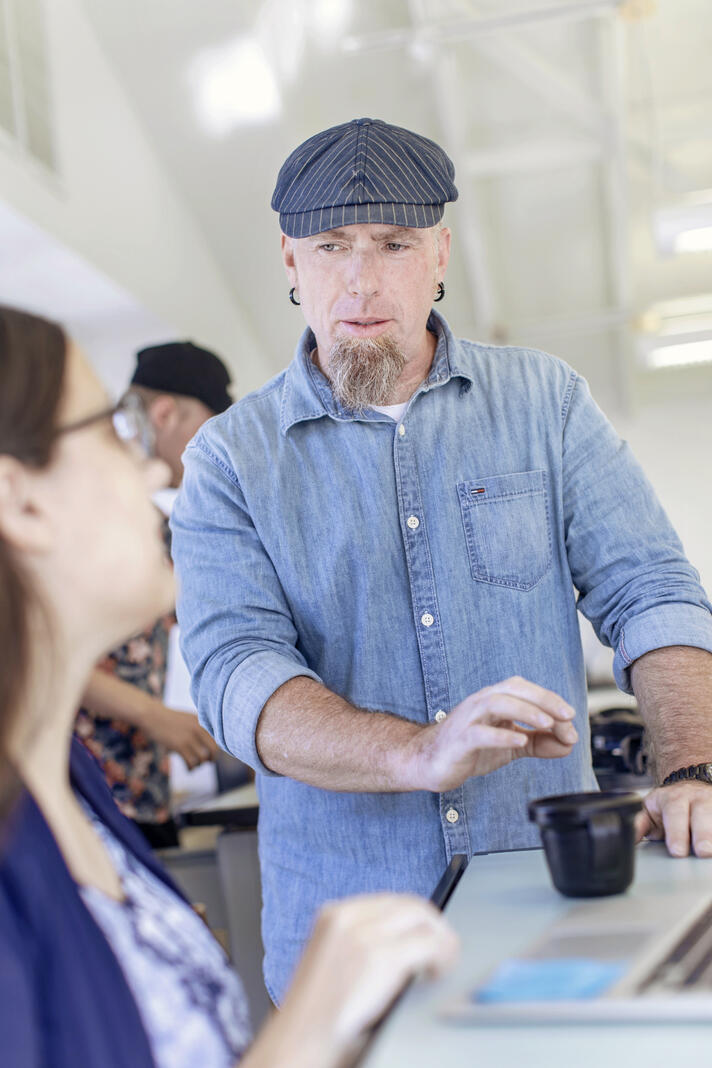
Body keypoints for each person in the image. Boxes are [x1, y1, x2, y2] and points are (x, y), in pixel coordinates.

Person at [170, 117, 712, 1003]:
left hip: (548, 909)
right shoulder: (229, 458)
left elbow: (650, 589)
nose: (361, 277)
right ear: (289, 263)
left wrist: (692, 767)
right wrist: (420, 754)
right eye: (331, 245)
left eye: (394, 243)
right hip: (343, 940)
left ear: (440, 254)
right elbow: (238, 675)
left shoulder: (547, 400)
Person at [0, 304, 458, 1068]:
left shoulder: (71, 791)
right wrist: (303, 1032)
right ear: (21, 501)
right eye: (112, 432)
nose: (150, 468)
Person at [75, 341, 229, 847]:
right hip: (83, 797)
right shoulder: (82, 506)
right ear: (165, 412)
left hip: (141, 791)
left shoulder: (157, 521)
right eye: (210, 426)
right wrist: (153, 715)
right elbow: (34, 653)